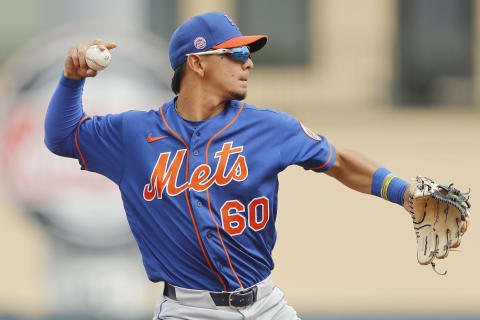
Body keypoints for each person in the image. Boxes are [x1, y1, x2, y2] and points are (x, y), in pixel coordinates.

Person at [45, 11, 411, 320]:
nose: (247, 61)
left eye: (247, 53)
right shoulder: (133, 135)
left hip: (266, 306)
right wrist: (72, 80)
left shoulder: (269, 127)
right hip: (187, 310)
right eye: (234, 53)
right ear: (197, 62)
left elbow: (338, 161)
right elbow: (61, 137)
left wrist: (406, 193)